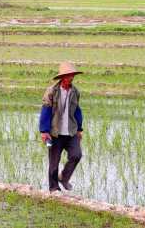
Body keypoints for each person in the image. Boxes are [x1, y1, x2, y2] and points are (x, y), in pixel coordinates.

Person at [39, 62, 84, 192]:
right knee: (54, 163)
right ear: (63, 77)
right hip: (55, 132)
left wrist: (79, 129)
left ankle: (64, 177)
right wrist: (44, 131)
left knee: (76, 155)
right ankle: (54, 188)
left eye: (73, 75)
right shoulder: (52, 91)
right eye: (69, 75)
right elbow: (46, 110)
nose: (71, 78)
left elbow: (77, 111)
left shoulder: (75, 92)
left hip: (71, 131)